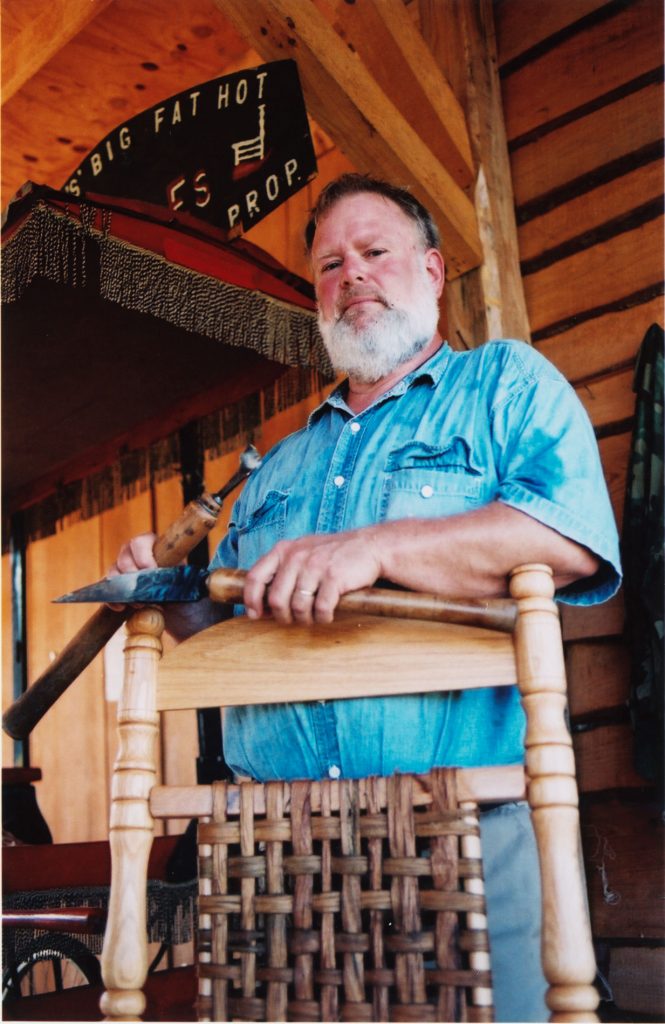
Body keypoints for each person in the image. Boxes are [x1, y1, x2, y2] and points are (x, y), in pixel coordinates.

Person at [111, 173, 622, 1021]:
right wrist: (173, 601)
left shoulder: (504, 385)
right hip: (273, 864)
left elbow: (566, 537)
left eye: (373, 253)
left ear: (430, 270)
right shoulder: (275, 468)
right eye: (328, 266)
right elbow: (228, 640)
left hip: (466, 830)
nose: (350, 275)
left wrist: (375, 547)